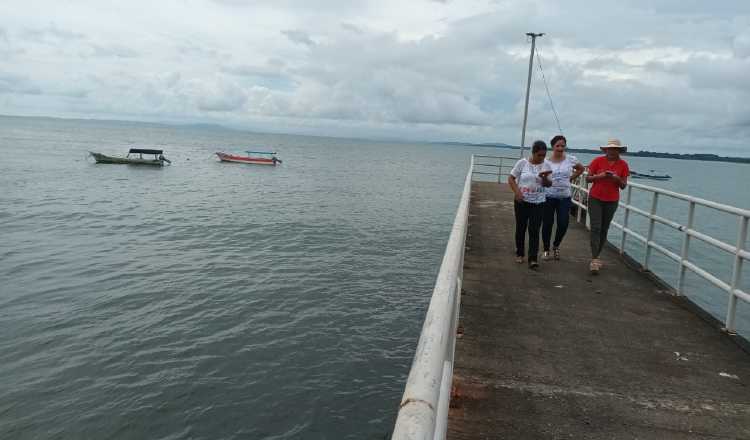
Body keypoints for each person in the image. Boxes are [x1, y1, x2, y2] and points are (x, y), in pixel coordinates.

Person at [586, 138, 630, 273]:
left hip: (611, 200)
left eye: (615, 149)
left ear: (619, 151)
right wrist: (600, 176)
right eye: (610, 149)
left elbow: (623, 185)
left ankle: (597, 256)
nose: (612, 151)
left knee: (604, 229)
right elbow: (588, 178)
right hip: (595, 198)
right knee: (596, 228)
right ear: (606, 150)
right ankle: (594, 259)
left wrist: (617, 178)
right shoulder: (597, 161)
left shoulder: (623, 164)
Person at [508, 140, 552, 269]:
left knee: (534, 229)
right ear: (533, 153)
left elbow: (549, 184)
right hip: (522, 201)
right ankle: (520, 253)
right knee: (521, 227)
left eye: (544, 155)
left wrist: (544, 177)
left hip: (539, 202)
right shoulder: (522, 163)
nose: (542, 158)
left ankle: (533, 258)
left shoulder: (547, 165)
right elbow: (511, 178)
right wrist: (517, 192)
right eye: (539, 155)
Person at [542, 135, 585, 260]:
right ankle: (546, 249)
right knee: (547, 224)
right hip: (548, 196)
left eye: (562, 145)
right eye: (557, 146)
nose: (560, 148)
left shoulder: (571, 159)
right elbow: (541, 177)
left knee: (563, 223)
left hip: (564, 197)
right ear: (553, 147)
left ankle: (556, 246)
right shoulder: (546, 162)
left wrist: (571, 178)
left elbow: (581, 169)